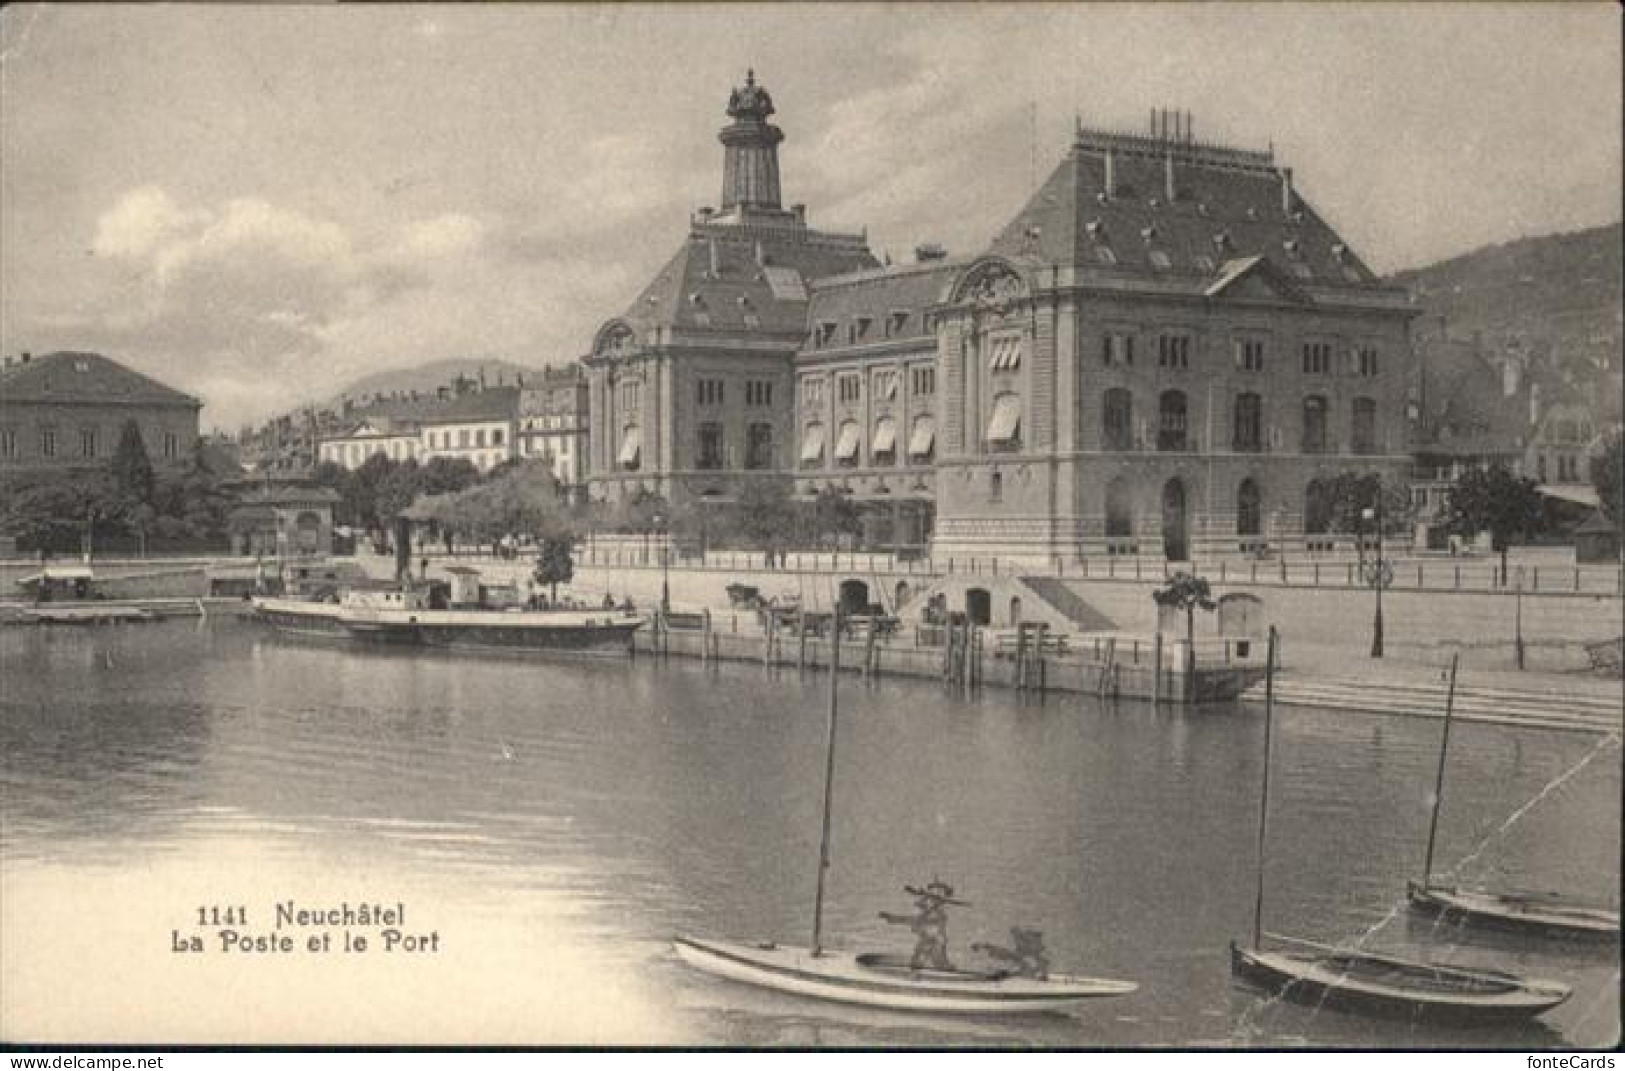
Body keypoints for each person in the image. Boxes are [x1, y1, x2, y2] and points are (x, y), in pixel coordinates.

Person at [879, 880, 964, 971]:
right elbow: (914, 919)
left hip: (933, 941)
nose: (925, 900)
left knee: (935, 963)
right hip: (928, 940)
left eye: (930, 899)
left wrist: (893, 918)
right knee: (919, 961)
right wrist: (892, 918)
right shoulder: (930, 911)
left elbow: (914, 920)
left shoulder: (936, 915)